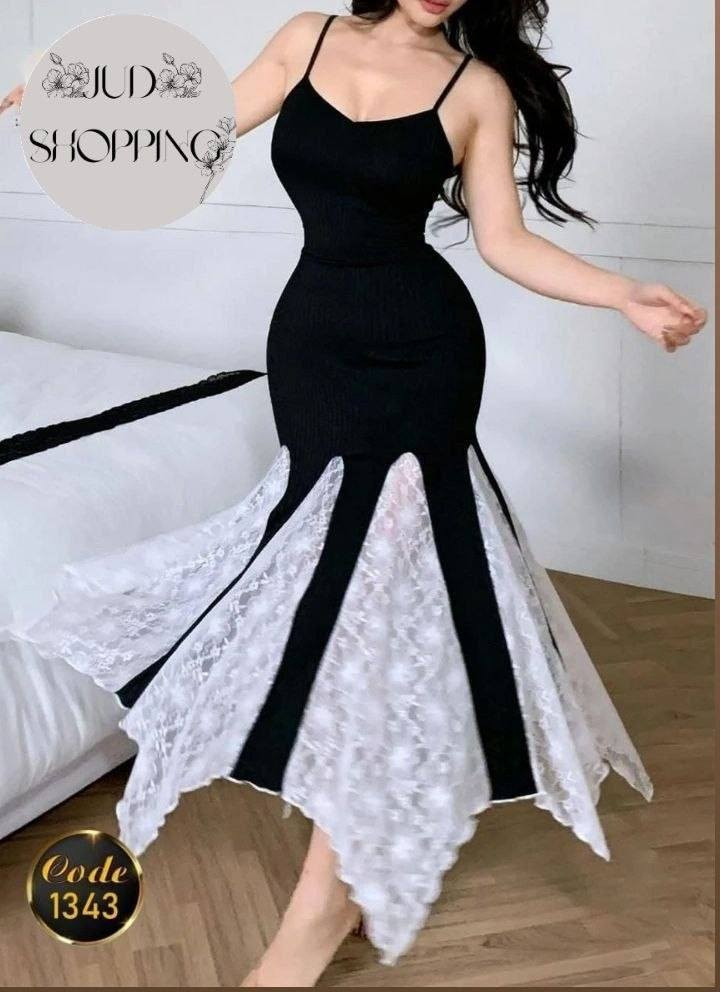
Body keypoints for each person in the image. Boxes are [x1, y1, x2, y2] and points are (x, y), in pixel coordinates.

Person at [1, 2, 707, 987]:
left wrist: (623, 292)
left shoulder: (477, 88)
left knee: (379, 605)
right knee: (331, 589)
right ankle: (349, 862)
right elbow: (197, 130)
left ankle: (324, 900)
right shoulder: (308, 38)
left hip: (425, 356)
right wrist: (72, 106)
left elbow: (504, 240)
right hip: (315, 348)